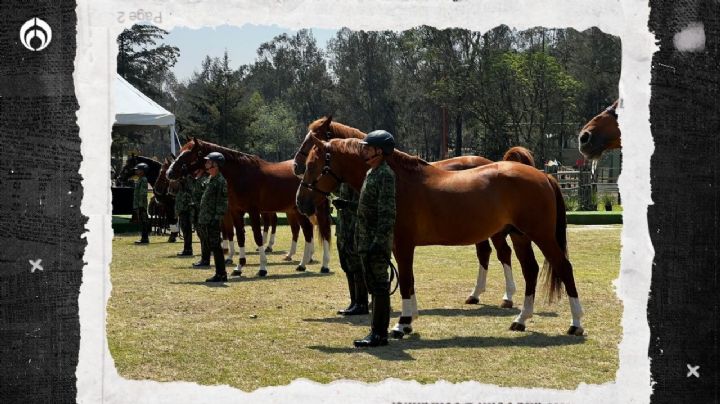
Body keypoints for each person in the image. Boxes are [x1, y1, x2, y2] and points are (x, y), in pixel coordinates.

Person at [352, 130, 396, 348]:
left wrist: (379, 241)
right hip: (366, 240)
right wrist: (350, 206)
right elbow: (370, 207)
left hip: (375, 242)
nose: (365, 150)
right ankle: (375, 331)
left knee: (379, 286)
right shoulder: (372, 172)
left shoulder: (385, 175)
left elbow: (387, 212)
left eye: (368, 147)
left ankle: (379, 334)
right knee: (373, 285)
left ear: (380, 151)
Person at [331, 183, 368, 316]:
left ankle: (362, 303)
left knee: (357, 267)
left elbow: (365, 207)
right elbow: (333, 189)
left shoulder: (357, 180)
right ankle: (354, 302)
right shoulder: (342, 181)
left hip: (355, 230)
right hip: (343, 230)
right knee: (347, 267)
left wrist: (346, 204)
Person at [198, 152, 229, 282]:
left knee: (216, 246)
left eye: (209, 162)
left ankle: (221, 274)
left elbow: (222, 202)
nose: (206, 164)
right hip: (206, 218)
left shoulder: (220, 181)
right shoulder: (210, 179)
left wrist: (216, 219)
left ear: (215, 164)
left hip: (213, 220)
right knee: (213, 245)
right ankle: (220, 273)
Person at [174, 173, 195, 257]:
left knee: (187, 231)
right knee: (185, 230)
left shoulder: (188, 182)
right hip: (181, 210)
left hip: (186, 210)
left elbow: (190, 192)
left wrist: (184, 180)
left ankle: (188, 249)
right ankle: (186, 249)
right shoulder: (180, 189)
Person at [191, 172, 209, 267]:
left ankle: (205, 259)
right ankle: (204, 258)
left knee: (204, 236)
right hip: (197, 211)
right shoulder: (198, 179)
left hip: (202, 211)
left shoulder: (204, 180)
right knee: (201, 235)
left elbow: (204, 196)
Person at [132, 163, 151, 245]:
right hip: (138, 204)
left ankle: (145, 238)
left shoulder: (143, 179)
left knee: (144, 221)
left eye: (138, 169)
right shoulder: (139, 179)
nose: (136, 171)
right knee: (142, 222)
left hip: (141, 204)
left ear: (143, 171)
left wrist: (140, 205)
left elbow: (143, 193)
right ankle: (143, 237)